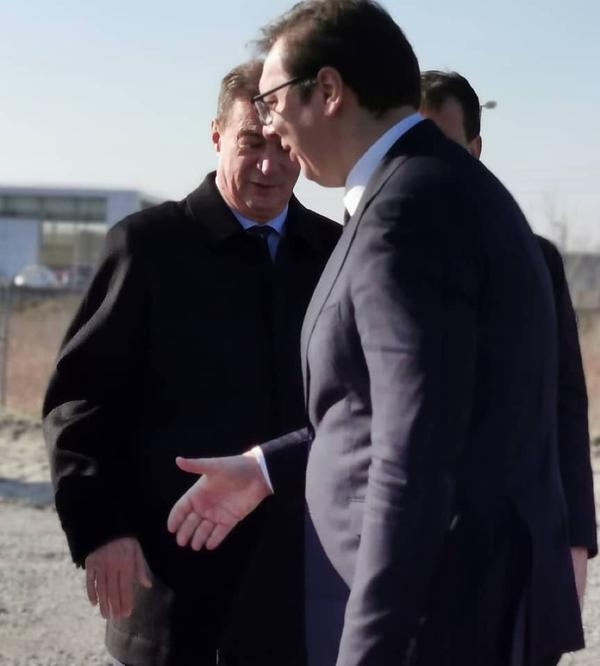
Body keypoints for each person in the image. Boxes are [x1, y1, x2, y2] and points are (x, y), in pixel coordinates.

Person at [168, 2, 586, 664]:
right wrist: (266, 469)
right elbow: (397, 408)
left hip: (432, 623)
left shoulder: (407, 213)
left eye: (272, 102)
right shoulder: (434, 186)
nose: (270, 124)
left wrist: (372, 646)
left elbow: (414, 454)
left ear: (329, 91)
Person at [43, 61, 340, 665]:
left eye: (283, 145)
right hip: (176, 579)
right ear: (216, 136)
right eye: (250, 143)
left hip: (302, 582)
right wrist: (101, 528)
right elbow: (81, 400)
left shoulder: (336, 254)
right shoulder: (148, 247)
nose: (269, 165)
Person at [419, 69, 596, 608]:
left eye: (445, 148)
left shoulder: (534, 260)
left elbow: (565, 401)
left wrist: (578, 541)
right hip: (398, 544)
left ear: (475, 151)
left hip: (508, 546)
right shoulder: (356, 257)